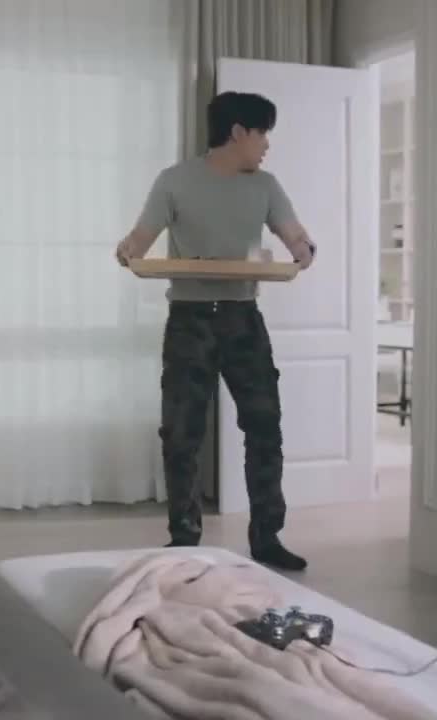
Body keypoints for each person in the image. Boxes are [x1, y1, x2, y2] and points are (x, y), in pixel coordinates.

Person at [114, 91, 317, 572]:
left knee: (264, 426)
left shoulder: (266, 186)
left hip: (243, 317)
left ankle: (267, 537)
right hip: (190, 320)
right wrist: (126, 250)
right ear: (238, 132)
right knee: (181, 433)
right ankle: (184, 538)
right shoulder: (174, 181)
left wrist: (305, 250)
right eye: (262, 133)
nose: (266, 144)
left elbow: (296, 236)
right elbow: (139, 240)